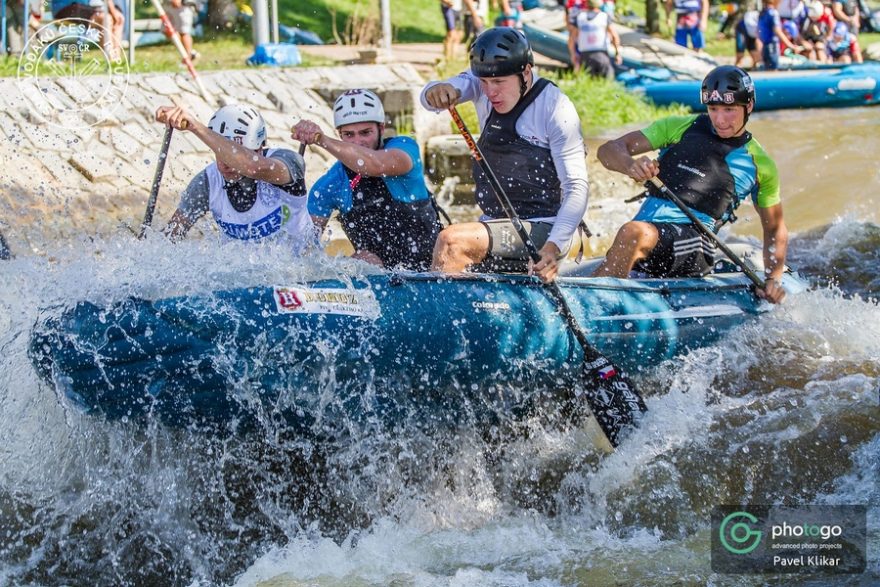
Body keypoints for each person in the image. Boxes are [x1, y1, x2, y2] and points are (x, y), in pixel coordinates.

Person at [591, 66, 788, 304]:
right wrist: (630, 165)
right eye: (713, 109)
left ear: (748, 107)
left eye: (729, 110)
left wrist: (773, 278)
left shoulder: (760, 164)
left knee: (632, 232)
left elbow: (774, 228)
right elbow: (607, 150)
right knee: (634, 233)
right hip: (650, 235)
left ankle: (596, 304)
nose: (720, 119)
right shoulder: (680, 127)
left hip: (696, 244)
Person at [420, 27, 589, 283]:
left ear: (526, 73)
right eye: (485, 83)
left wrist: (553, 248)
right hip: (497, 224)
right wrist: (437, 90)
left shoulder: (556, 108)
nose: (490, 92)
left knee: (451, 241)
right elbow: (431, 96)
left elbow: (577, 188)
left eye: (499, 82)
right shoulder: (482, 84)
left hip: (548, 229)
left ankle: (435, 319)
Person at [291, 89, 441, 271]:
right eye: (349, 135)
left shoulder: (404, 148)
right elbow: (303, 251)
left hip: (435, 272)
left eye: (365, 132)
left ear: (382, 128)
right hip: (380, 283)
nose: (357, 142)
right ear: (340, 135)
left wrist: (321, 140)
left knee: (452, 241)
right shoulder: (330, 184)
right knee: (362, 259)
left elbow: (375, 165)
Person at [156, 104, 315, 254]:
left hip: (303, 275)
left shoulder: (289, 162)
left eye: (234, 157)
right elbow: (170, 237)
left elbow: (254, 167)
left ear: (259, 150)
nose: (227, 163)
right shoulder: (207, 182)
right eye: (221, 153)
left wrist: (196, 127)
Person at [568, 0, 623, 79]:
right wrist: (617, 53)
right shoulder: (604, 16)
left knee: (588, 81)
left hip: (585, 55)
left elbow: (572, 38)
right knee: (607, 81)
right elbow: (614, 36)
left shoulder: (579, 17)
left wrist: (573, 55)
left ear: (586, 4)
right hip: (602, 55)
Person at [757, 0, 802, 70]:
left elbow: (759, 32)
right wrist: (791, 45)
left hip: (765, 46)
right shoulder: (773, 13)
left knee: (768, 71)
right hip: (772, 47)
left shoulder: (763, 13)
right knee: (773, 70)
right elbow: (777, 31)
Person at [733, 1, 762, 68]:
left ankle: (754, 66)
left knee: (755, 55)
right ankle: (736, 67)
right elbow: (759, 42)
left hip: (751, 31)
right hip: (742, 28)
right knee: (740, 53)